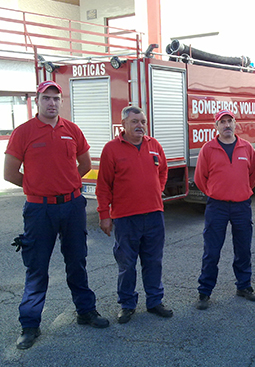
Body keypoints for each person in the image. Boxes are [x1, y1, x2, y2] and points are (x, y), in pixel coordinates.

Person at [4, 81, 109, 350]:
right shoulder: (23, 132)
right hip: (39, 210)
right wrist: (37, 187)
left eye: (56, 98)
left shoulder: (72, 131)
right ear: (37, 101)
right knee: (37, 268)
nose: (51, 103)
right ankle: (29, 325)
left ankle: (86, 311)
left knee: (77, 261)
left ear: (61, 102)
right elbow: (10, 173)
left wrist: (66, 184)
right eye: (46, 98)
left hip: (72, 206)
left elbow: (85, 164)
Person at [96, 106, 172, 323]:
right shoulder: (111, 149)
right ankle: (127, 304)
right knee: (127, 263)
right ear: (124, 125)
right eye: (135, 122)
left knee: (153, 261)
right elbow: (103, 186)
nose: (140, 126)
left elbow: (163, 170)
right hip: (125, 217)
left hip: (154, 215)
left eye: (143, 121)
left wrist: (157, 190)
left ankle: (155, 301)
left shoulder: (154, 145)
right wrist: (104, 214)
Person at [194, 110, 255, 310]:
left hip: (241, 206)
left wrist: (241, 192)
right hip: (217, 207)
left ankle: (244, 286)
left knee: (243, 249)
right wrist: (215, 193)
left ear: (235, 123)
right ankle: (204, 292)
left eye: (229, 121)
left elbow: (253, 176)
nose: (226, 125)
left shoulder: (246, 148)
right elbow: (199, 178)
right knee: (212, 251)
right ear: (216, 126)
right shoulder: (208, 149)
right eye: (222, 122)